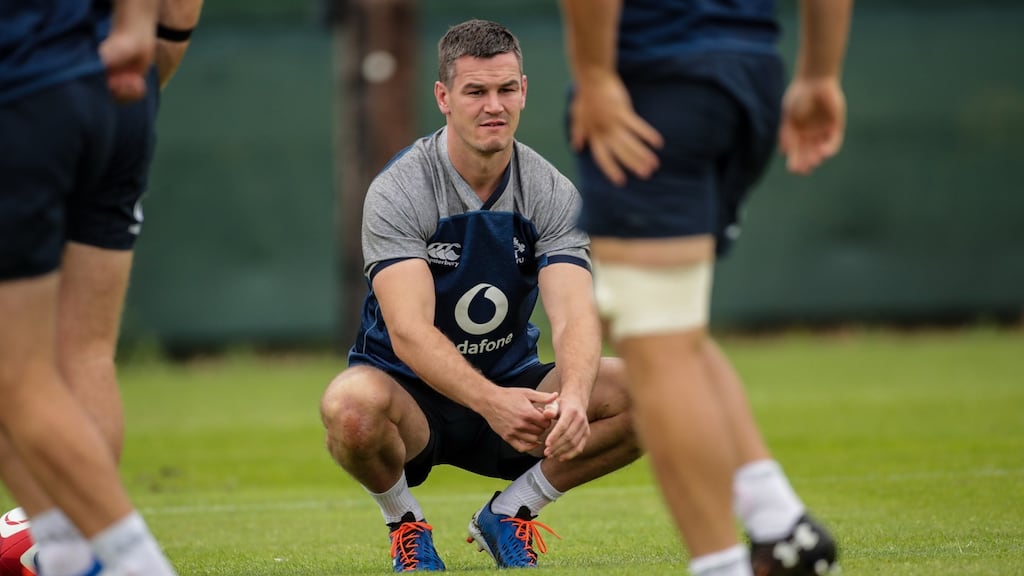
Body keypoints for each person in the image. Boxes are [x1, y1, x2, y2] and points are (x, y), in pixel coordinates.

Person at [319, 18, 640, 572]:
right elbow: (410, 332)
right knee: (348, 407)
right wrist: (491, 404)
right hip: (410, 397)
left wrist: (577, 396)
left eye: (506, 89)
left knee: (654, 392)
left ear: (523, 90)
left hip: (515, 387)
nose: (494, 105)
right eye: (476, 92)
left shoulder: (552, 192)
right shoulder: (400, 190)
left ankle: (512, 511)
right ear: (444, 97)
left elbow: (573, 315)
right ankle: (406, 525)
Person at [559, 1, 852, 575]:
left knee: (655, 344)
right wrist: (819, 73)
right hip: (751, 73)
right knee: (663, 324)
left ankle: (723, 564)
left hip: (656, 78)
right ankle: (779, 522)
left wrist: (594, 74)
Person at [0, 1, 202, 574]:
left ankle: (129, 562)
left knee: (16, 373)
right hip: (119, 94)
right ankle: (63, 552)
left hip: (24, 92)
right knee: (84, 353)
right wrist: (140, 33)